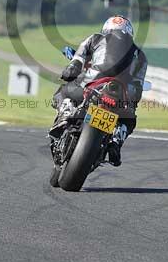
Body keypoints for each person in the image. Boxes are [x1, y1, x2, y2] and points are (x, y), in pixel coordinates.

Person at [50, 15, 147, 166]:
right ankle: (116, 140)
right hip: (120, 93)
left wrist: (69, 72)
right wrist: (131, 103)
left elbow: (77, 60)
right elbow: (138, 87)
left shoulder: (95, 38)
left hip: (93, 81)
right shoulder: (140, 56)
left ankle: (66, 115)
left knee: (62, 92)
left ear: (106, 28)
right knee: (129, 119)